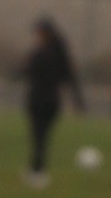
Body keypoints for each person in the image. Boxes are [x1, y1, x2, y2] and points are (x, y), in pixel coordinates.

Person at [21, 15, 83, 186]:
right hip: (53, 100)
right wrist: (78, 101)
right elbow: (70, 78)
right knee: (43, 137)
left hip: (37, 99)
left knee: (38, 136)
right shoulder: (60, 54)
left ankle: (38, 171)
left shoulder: (40, 53)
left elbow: (26, 71)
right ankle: (36, 168)